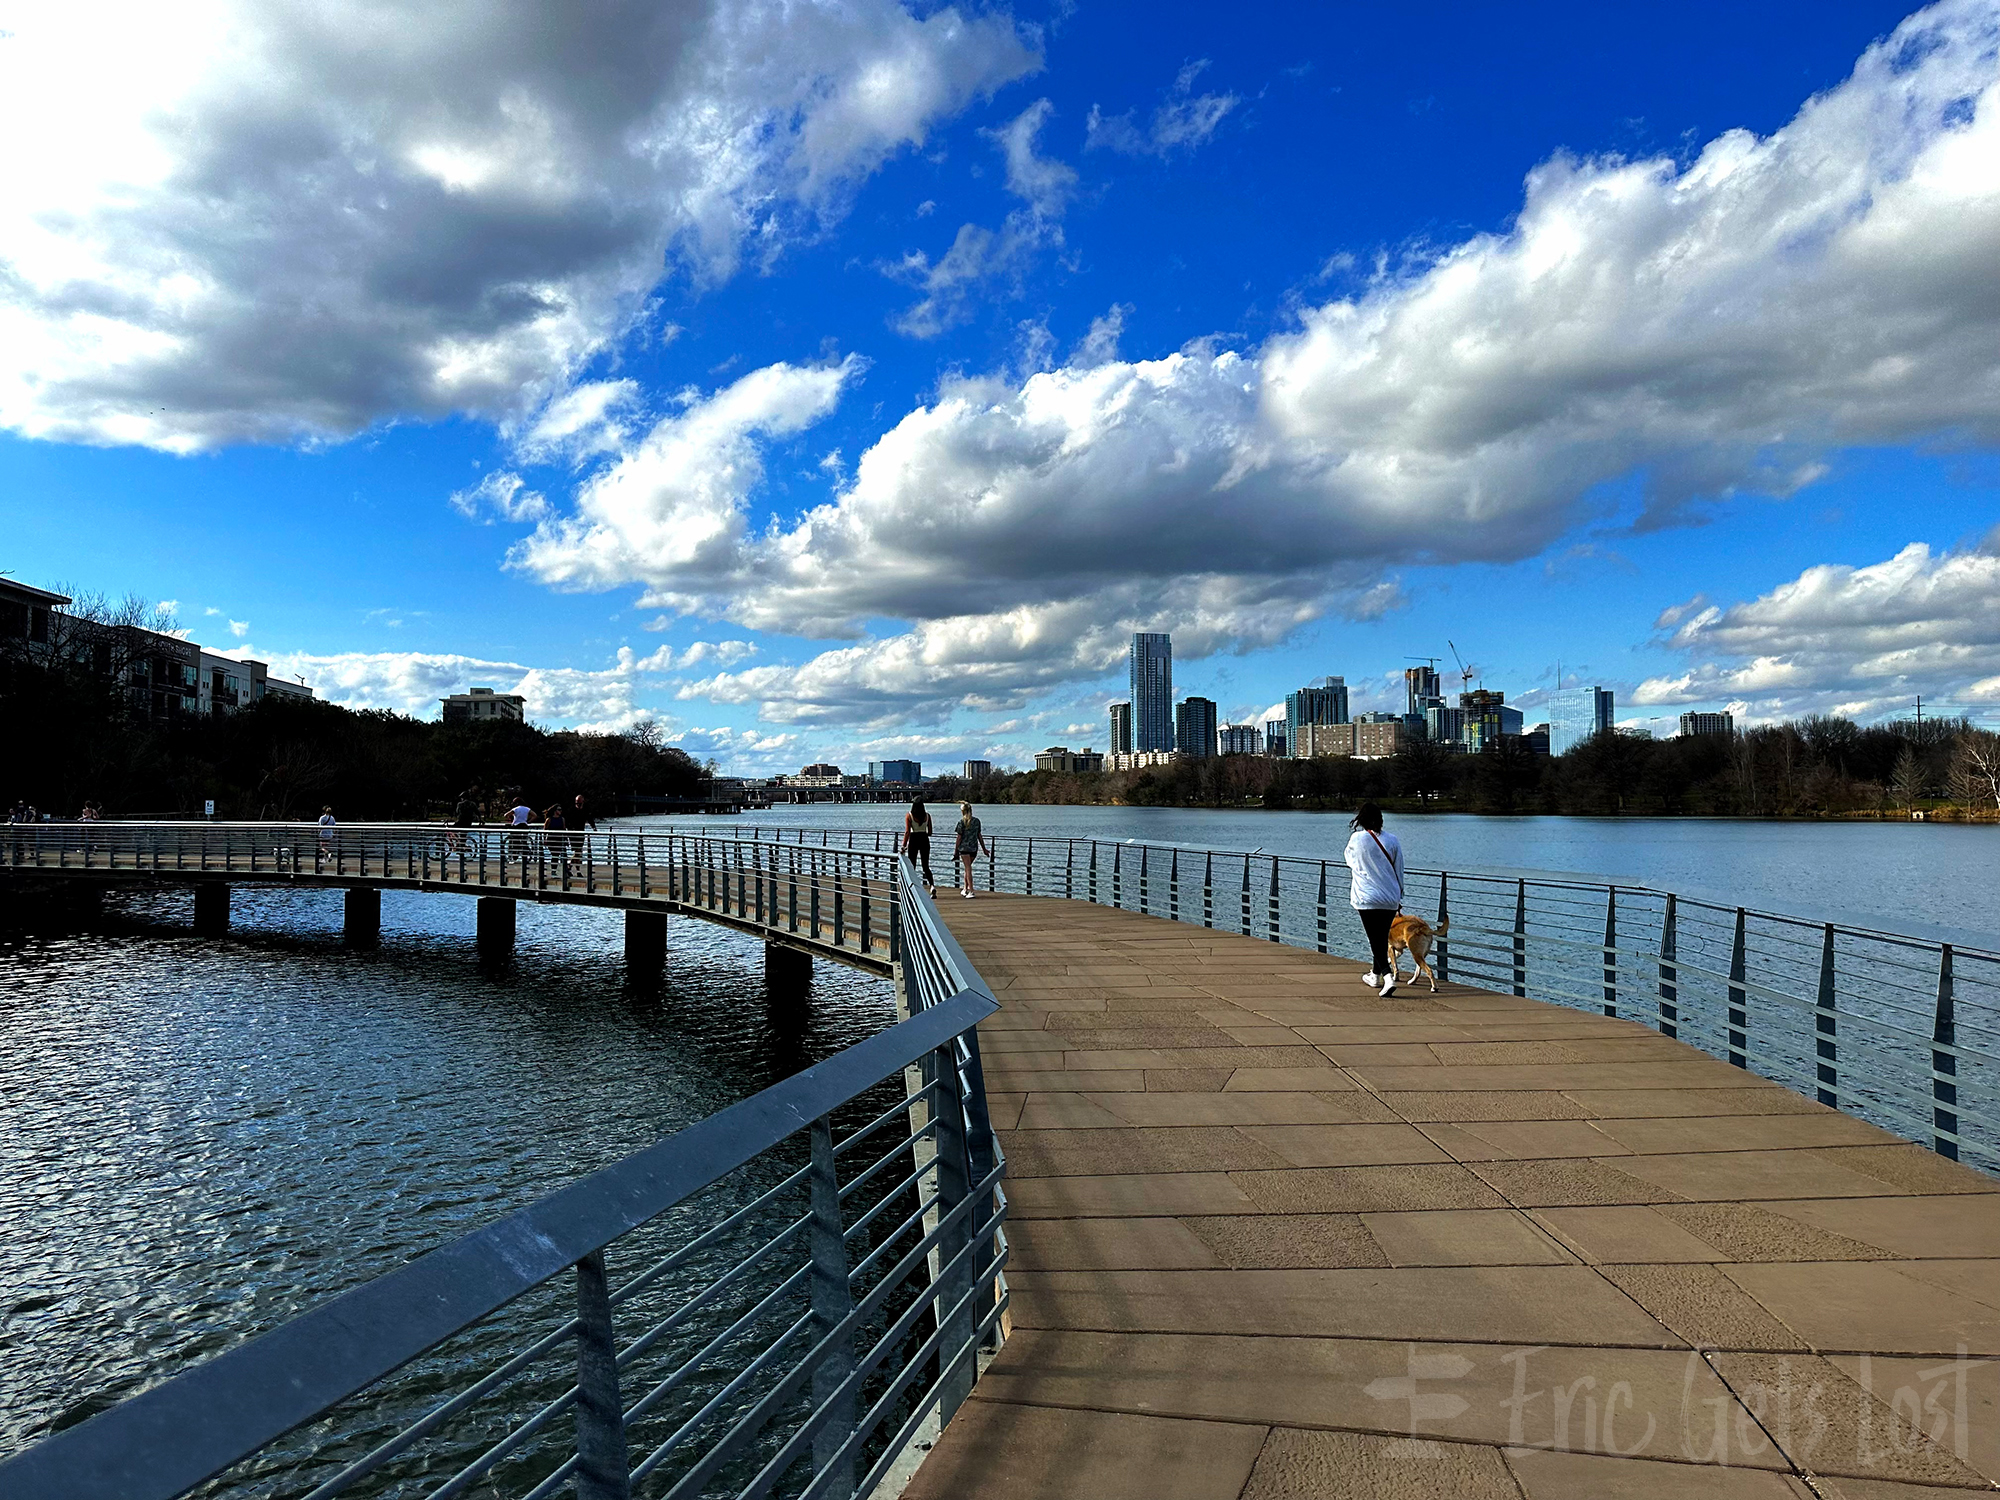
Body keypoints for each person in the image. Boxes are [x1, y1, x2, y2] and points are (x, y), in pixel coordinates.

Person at [1345, 802, 1405, 997]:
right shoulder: (1393, 840)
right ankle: (1375, 975)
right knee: (1380, 936)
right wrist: (1399, 895)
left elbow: (1350, 861)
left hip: (1367, 897)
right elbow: (1399, 870)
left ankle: (1388, 978)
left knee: (1375, 939)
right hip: (1390, 897)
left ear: (1361, 820)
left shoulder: (1357, 839)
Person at [952, 802, 989, 899]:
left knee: (968, 868)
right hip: (974, 848)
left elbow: (959, 838)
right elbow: (979, 836)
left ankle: (971, 890)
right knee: (967, 868)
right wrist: (984, 849)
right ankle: (965, 888)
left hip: (964, 848)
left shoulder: (961, 822)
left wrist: (956, 851)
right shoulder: (976, 821)